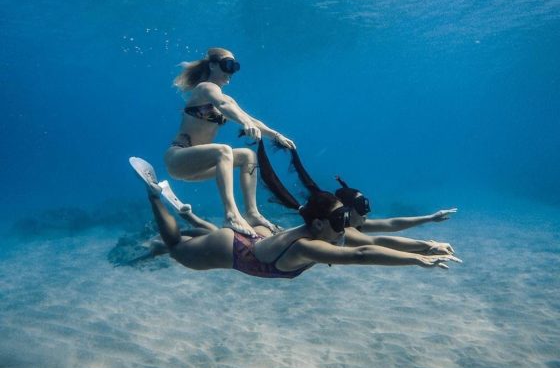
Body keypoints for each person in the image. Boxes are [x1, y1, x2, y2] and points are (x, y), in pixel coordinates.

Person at [129, 157, 461, 278]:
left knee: (196, 239)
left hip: (254, 238)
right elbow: (361, 255)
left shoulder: (326, 230)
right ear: (317, 224)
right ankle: (153, 194)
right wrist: (416, 262)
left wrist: (425, 247)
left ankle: (191, 219)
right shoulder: (309, 247)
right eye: (339, 221)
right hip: (236, 249)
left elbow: (377, 238)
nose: (344, 226)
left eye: (345, 219)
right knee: (175, 247)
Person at [163, 47, 295, 237]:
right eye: (228, 65)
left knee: (247, 155)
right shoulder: (206, 88)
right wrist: (245, 123)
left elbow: (248, 117)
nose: (231, 72)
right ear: (213, 65)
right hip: (178, 158)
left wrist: (276, 135)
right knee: (224, 150)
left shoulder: (226, 98)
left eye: (235, 67)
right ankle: (231, 214)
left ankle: (252, 213)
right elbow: (222, 106)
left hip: (198, 168)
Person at [288, 146, 458, 236]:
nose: (367, 212)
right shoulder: (342, 229)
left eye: (366, 206)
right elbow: (371, 249)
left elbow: (392, 224)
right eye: (362, 208)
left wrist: (430, 218)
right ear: (347, 210)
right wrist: (422, 251)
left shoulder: (351, 223)